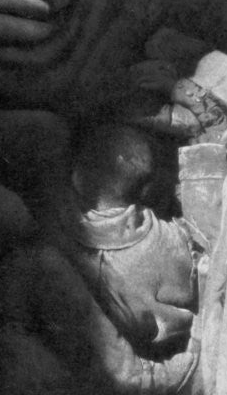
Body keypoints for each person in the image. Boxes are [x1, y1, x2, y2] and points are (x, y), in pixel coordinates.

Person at [66, 122, 198, 353]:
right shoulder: (171, 241)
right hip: (166, 349)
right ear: (146, 190)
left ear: (77, 176)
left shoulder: (52, 220)